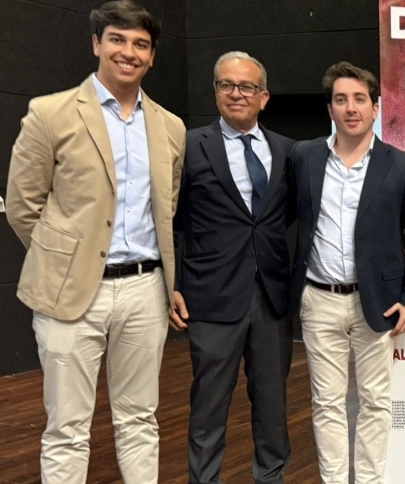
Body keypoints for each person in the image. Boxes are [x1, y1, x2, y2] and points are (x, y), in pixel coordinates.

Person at [4, 1, 185, 482]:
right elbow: (23, 206)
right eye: (118, 40)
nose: (128, 52)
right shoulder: (50, 113)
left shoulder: (171, 127)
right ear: (96, 44)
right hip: (71, 293)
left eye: (140, 44)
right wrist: (65, 261)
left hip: (146, 292)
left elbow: (166, 209)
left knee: (140, 419)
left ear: (152, 55)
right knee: (67, 427)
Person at [288, 61, 405, 484]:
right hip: (319, 300)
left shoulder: (402, 165)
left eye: (359, 99)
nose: (350, 107)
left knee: (375, 402)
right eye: (340, 99)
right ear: (329, 108)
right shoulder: (304, 157)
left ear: (375, 107)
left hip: (380, 303)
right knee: (327, 403)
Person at [170, 51, 295, 484]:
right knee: (208, 408)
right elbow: (169, 218)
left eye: (246, 87)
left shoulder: (289, 152)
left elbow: (285, 216)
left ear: (264, 97)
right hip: (210, 298)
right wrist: (172, 284)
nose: (236, 93)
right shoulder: (187, 146)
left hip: (271, 299)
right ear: (216, 91)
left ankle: (271, 477)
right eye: (226, 85)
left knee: (273, 407)